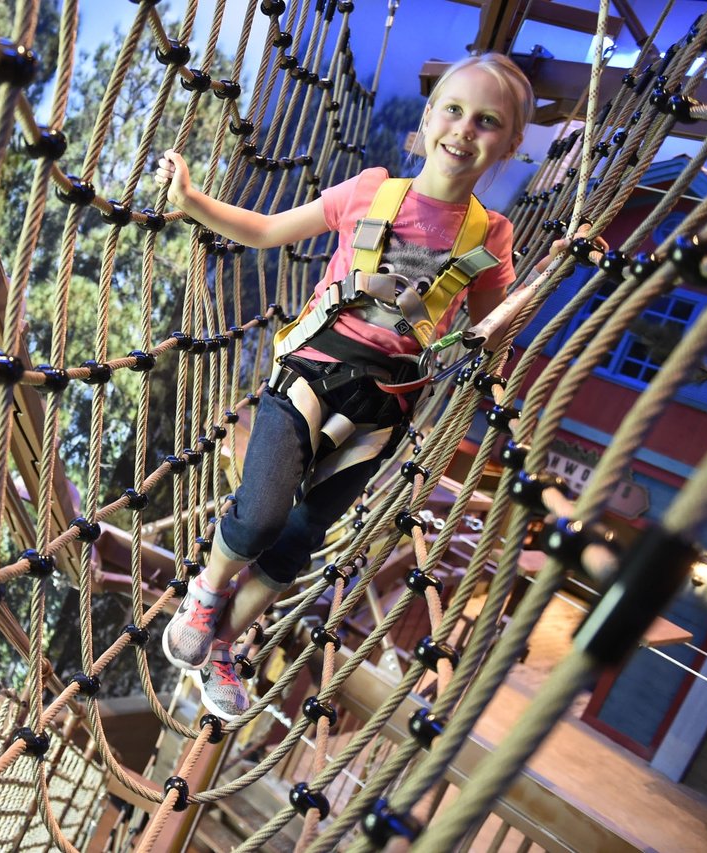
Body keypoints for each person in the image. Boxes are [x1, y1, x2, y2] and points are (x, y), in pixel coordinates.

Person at [154, 53, 537, 720]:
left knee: (300, 537)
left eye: (487, 122)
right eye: (453, 109)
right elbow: (270, 230)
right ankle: (207, 590)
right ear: (426, 118)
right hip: (310, 371)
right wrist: (192, 202)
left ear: (507, 144)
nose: (463, 129)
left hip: (384, 406)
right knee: (263, 511)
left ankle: (222, 641)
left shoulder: (490, 238)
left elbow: (488, 334)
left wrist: (525, 299)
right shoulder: (371, 193)